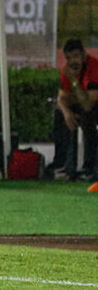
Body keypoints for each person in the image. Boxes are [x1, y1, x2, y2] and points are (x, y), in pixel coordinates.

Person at [48, 39, 98, 185]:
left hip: (93, 106)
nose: (73, 61)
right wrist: (66, 112)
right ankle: (62, 163)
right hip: (84, 104)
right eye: (69, 58)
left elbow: (88, 104)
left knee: (87, 116)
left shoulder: (93, 67)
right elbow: (62, 98)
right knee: (60, 114)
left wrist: (74, 82)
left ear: (83, 54)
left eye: (76, 56)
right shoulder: (67, 70)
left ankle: (89, 168)